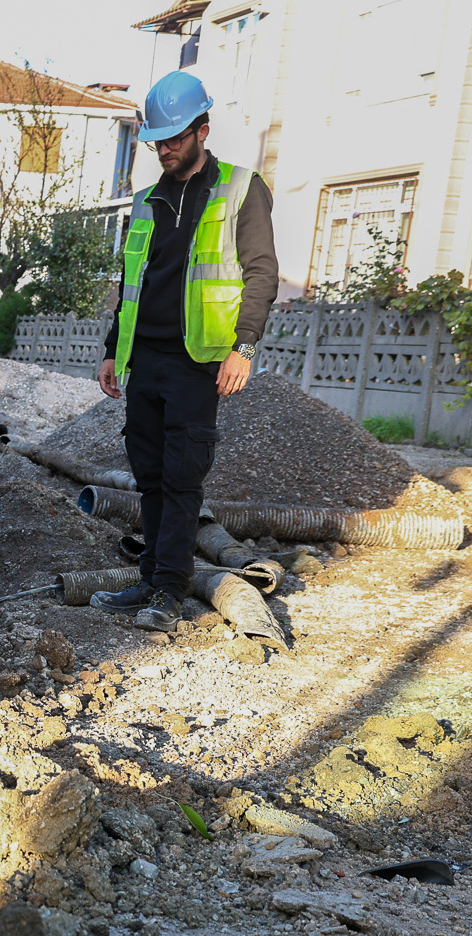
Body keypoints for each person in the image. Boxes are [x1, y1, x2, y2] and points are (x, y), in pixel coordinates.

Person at [92, 70, 279, 633]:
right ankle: (151, 579)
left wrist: (244, 346)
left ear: (202, 130)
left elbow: (261, 272)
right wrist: (113, 350)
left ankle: (170, 590)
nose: (165, 149)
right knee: (149, 476)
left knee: (181, 478)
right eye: (158, 140)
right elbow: (131, 283)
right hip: (145, 359)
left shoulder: (241, 188)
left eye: (174, 138)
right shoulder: (147, 200)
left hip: (199, 360)